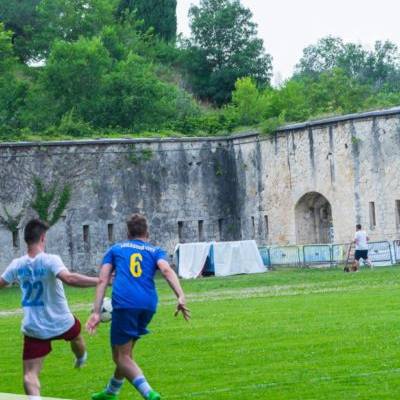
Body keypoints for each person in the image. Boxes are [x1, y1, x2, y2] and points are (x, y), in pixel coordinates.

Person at [87, 213, 190, 400]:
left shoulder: (116, 249)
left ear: (128, 233)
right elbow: (166, 270)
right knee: (126, 354)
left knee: (121, 357)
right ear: (147, 233)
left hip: (125, 303)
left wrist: (96, 312)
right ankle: (111, 392)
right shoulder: (155, 251)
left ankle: (149, 394)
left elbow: (102, 279)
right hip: (148, 305)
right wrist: (180, 295)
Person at [0, 218, 99, 398]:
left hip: (35, 327)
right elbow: (70, 278)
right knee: (76, 336)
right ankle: (81, 357)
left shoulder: (17, 264)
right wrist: (100, 281)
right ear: (43, 238)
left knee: (30, 375)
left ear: (26, 239)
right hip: (62, 322)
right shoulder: (51, 260)